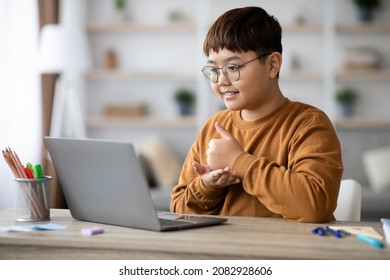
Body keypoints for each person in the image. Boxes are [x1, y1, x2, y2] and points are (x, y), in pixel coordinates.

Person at [170, 6, 343, 223]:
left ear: (272, 64)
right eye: (213, 70)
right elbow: (178, 211)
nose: (221, 80)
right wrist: (208, 186)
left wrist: (238, 162)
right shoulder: (213, 127)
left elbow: (315, 206)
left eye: (233, 67)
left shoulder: (308, 125)